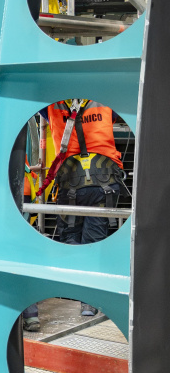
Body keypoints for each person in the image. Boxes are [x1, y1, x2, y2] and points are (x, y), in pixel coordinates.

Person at [40, 99, 125, 315]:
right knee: (94, 240)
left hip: (71, 183)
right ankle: (90, 300)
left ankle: (75, 290)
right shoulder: (104, 99)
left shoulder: (51, 104)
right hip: (103, 181)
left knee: (71, 237)